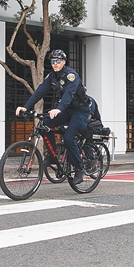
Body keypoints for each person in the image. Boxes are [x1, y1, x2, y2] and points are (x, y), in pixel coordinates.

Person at [15, 49, 89, 184]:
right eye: (53, 62)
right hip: (66, 111)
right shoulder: (52, 77)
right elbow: (39, 92)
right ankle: (52, 155)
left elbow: (68, 95)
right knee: (45, 124)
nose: (55, 64)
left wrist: (59, 109)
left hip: (79, 111)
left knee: (68, 137)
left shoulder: (71, 75)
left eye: (58, 61)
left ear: (64, 62)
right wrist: (26, 106)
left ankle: (79, 169)